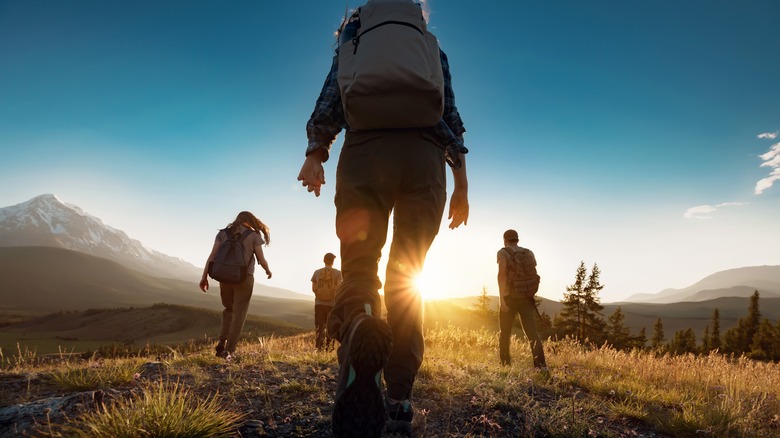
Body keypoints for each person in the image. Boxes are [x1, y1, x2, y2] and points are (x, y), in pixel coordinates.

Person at [297, 1, 469, 435]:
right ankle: (398, 398)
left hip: (364, 154)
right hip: (425, 161)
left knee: (358, 265)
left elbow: (330, 100)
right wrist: (462, 187)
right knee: (407, 275)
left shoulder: (354, 42)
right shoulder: (430, 48)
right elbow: (450, 117)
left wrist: (316, 154)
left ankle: (358, 324)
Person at [199, 211, 272, 358]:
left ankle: (221, 341)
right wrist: (267, 270)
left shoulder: (223, 234)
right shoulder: (254, 236)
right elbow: (261, 259)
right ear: (251, 221)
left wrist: (204, 277)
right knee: (239, 313)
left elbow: (212, 256)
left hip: (224, 276)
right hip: (244, 278)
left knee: (228, 309)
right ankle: (229, 350)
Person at [497, 229, 546, 369]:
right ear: (517, 239)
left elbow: (501, 275)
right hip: (526, 297)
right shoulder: (529, 253)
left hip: (509, 297)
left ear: (505, 240)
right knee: (532, 333)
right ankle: (541, 366)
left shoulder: (503, 252)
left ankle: (505, 366)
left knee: (505, 333)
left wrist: (502, 299)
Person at [311, 252, 343, 351]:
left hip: (319, 304)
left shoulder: (317, 272)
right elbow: (339, 289)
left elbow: (313, 289)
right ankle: (329, 349)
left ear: (324, 260)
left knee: (319, 326)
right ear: (333, 261)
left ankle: (319, 348)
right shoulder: (338, 273)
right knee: (331, 327)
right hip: (332, 305)